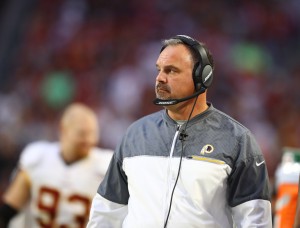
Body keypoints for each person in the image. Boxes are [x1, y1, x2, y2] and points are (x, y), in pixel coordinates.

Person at [87, 35, 272, 228]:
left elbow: (255, 222)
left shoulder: (237, 140)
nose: (160, 78)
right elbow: (106, 213)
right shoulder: (135, 135)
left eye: (171, 71)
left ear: (202, 76)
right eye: (159, 70)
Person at [0, 103, 113, 228]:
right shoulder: (38, 158)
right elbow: (9, 209)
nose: (89, 139)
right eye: (82, 133)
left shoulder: (106, 167)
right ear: (63, 130)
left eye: (92, 133)